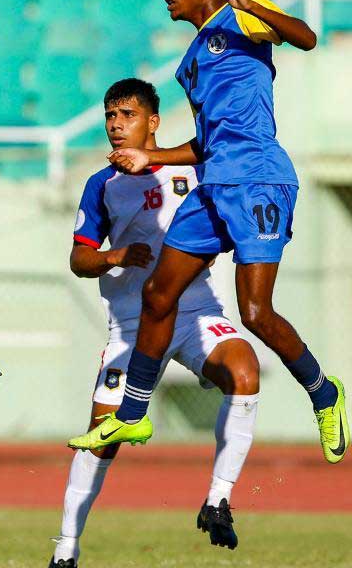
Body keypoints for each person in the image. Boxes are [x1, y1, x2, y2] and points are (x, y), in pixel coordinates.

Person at [68, 0, 348, 464]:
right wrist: (150, 158)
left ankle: (324, 392)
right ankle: (130, 417)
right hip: (214, 184)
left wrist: (248, 3)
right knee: (157, 293)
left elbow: (306, 38)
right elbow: (204, 143)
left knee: (256, 312)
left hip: (258, 181)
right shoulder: (192, 59)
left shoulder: (241, 17)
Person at [52, 79, 260, 567]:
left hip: (196, 315)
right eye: (110, 116)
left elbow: (229, 221)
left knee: (244, 372)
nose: (116, 125)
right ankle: (65, 549)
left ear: (154, 122)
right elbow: (79, 260)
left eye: (126, 115)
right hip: (132, 327)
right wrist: (115, 255)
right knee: (102, 439)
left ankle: (218, 500)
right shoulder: (102, 183)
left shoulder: (192, 169)